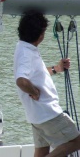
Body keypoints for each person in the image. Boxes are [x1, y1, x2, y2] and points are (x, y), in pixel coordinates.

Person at [13, 10, 80, 157]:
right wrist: (35, 92)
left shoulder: (23, 47)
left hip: (36, 116)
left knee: (42, 151)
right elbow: (21, 81)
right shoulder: (27, 54)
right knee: (76, 142)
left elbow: (37, 75)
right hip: (47, 112)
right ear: (41, 35)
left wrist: (57, 69)